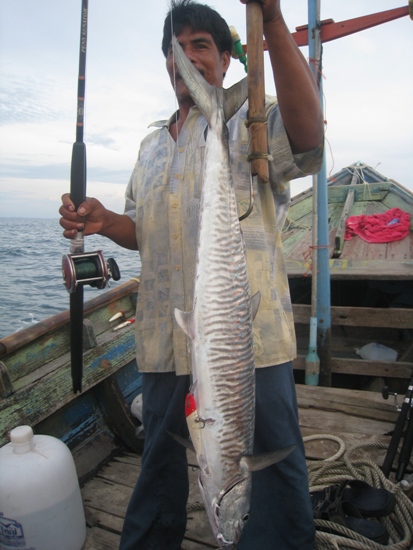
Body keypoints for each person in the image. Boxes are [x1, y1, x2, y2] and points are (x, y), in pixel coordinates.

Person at [60, 1, 324, 548]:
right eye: (176, 50)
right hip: (164, 335)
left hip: (246, 342)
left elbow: (308, 139)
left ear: (227, 59)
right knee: (157, 459)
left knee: (270, 466)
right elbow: (145, 230)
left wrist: (272, 20)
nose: (187, 58)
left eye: (201, 45)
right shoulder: (151, 146)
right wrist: (106, 221)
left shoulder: (253, 117)